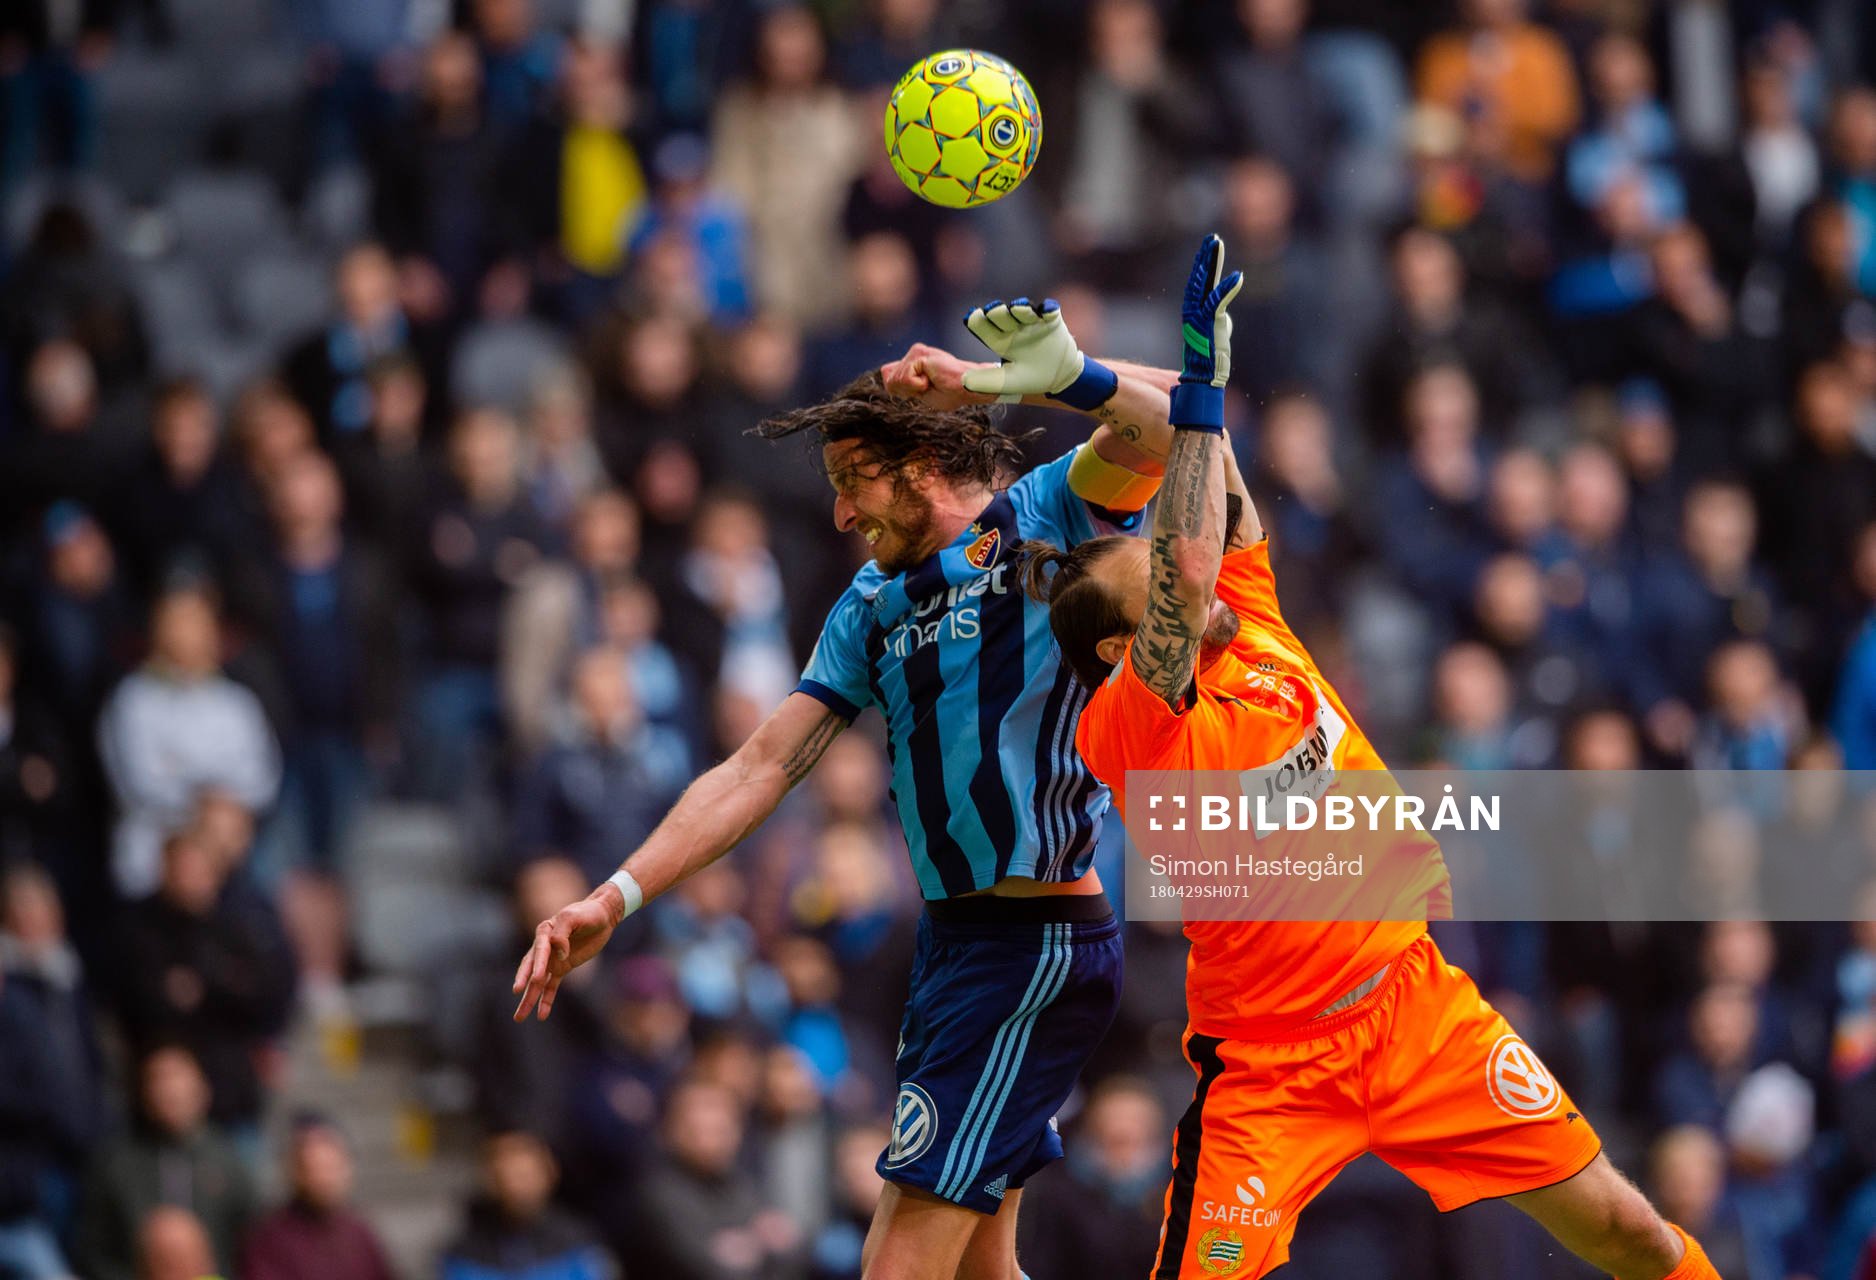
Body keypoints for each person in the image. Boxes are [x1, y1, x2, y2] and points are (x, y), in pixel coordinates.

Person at [1023, 234, 1722, 1280]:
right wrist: (1201, 400)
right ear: (1120, 647)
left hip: (1413, 1005)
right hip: (1269, 1072)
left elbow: (1205, 499)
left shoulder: (1246, 619)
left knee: (1627, 1231)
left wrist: (1089, 379)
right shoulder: (1129, 720)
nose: (1203, 584)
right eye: (1166, 587)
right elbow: (1180, 566)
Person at [515, 273, 1192, 1279]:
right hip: (958, 943)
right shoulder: (870, 604)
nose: (836, 513)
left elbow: (1187, 421)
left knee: (898, 1262)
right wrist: (618, 892)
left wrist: (1048, 379)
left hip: (1031, 941)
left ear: (919, 463)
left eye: (852, 481)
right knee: (975, 1268)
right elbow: (759, 763)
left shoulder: (1043, 512)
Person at [238, 1114, 395, 1280]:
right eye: (315, 1169)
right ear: (296, 1173)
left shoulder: (359, 1232)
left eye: (332, 1168)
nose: (325, 1179)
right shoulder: (271, 1238)